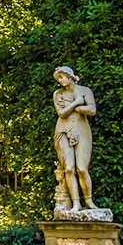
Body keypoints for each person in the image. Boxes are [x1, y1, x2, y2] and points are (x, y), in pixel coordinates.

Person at [52, 66, 98, 212]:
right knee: (69, 168)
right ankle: (76, 203)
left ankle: (89, 201)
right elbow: (61, 113)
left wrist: (77, 108)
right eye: (58, 79)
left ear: (70, 75)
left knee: (82, 168)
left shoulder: (85, 91)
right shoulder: (58, 94)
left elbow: (92, 110)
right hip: (63, 130)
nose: (60, 80)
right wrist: (77, 102)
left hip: (81, 129)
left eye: (62, 77)